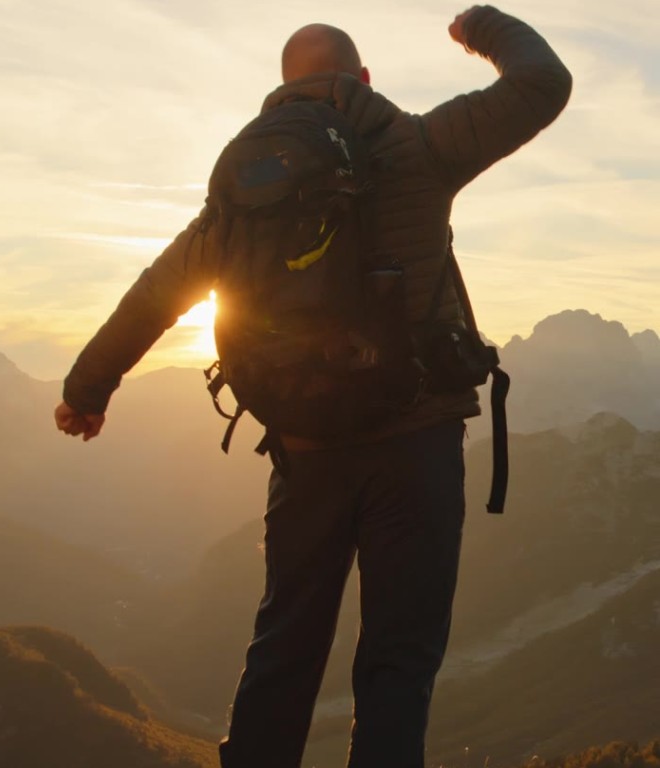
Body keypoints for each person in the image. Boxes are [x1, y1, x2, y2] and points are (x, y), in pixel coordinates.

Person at [55, 6, 572, 767]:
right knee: (398, 662)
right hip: (415, 441)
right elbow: (543, 83)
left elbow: (157, 292)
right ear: (362, 79)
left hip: (304, 446)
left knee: (284, 649)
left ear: (284, 89)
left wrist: (87, 389)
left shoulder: (246, 185)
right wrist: (481, 25)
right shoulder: (418, 146)